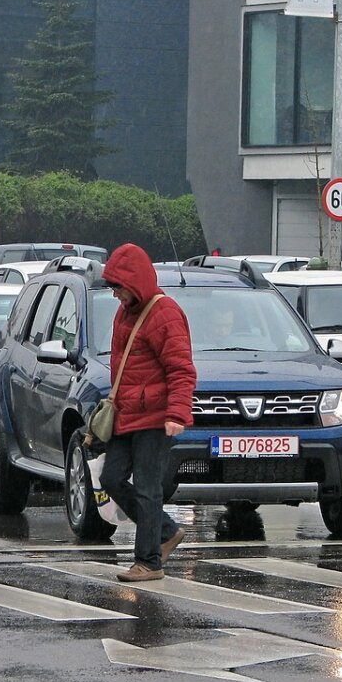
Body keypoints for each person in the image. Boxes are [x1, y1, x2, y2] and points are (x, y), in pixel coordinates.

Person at [99, 243, 197, 582]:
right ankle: (167, 531)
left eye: (118, 287)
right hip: (127, 415)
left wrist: (177, 413)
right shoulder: (125, 312)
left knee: (147, 487)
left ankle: (149, 562)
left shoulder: (164, 313)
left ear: (134, 282)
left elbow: (181, 369)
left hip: (155, 417)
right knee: (110, 478)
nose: (115, 295)